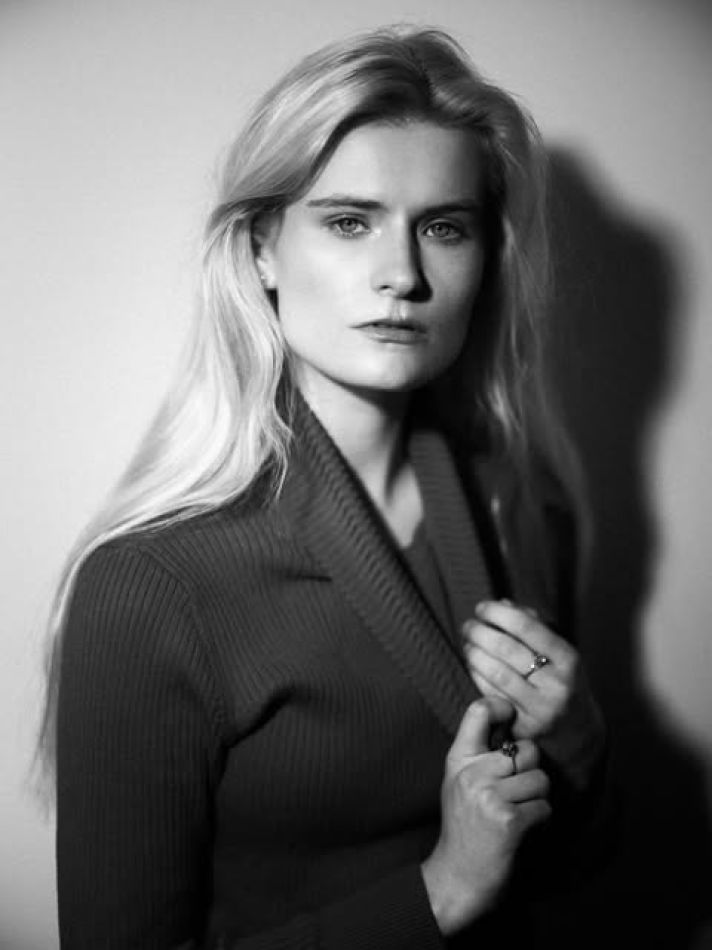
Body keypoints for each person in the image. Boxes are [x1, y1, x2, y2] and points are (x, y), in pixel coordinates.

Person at [40, 24, 612, 949]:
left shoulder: (522, 505)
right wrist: (437, 893)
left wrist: (577, 733)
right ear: (262, 249)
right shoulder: (153, 586)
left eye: (444, 228)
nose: (403, 276)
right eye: (350, 221)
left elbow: (580, 870)